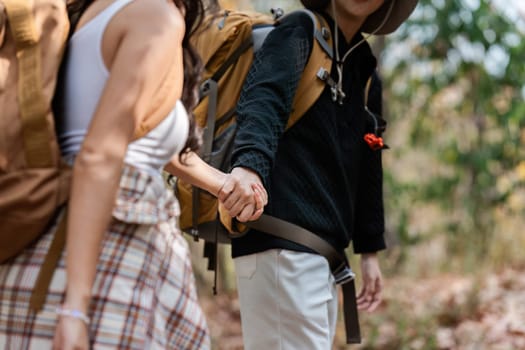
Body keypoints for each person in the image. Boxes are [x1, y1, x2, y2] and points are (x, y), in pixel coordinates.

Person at [0, 0, 266, 349]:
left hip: (66, 232)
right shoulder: (155, 18)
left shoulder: (89, 12)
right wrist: (76, 307)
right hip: (108, 241)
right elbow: (100, 155)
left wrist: (222, 184)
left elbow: (137, 131)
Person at [227, 0, 418, 348]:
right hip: (280, 244)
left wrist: (369, 251)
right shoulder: (300, 30)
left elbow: (369, 165)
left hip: (325, 257)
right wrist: (248, 167)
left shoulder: (365, 73)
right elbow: (263, 101)